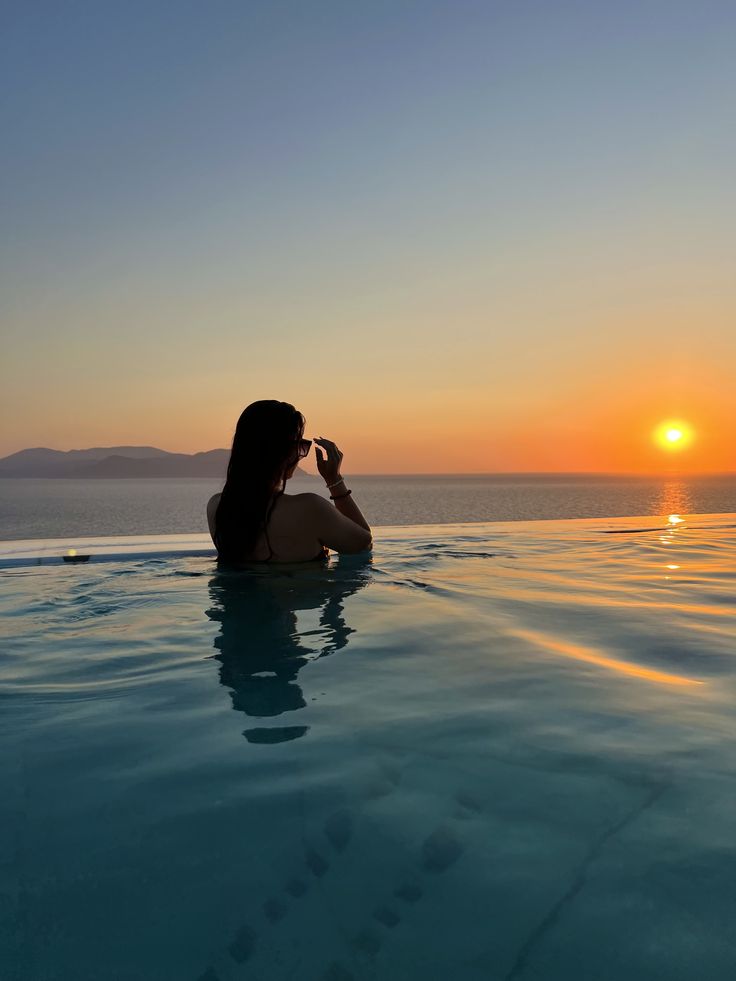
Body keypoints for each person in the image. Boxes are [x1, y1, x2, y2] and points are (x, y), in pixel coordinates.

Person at [207, 400, 372, 564]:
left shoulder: (217, 507)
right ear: (285, 451)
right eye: (300, 445)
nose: (300, 454)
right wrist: (334, 480)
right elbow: (363, 545)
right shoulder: (310, 509)